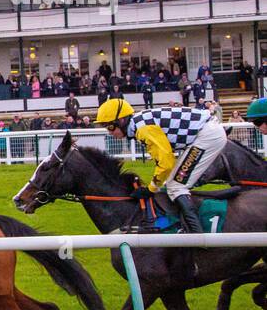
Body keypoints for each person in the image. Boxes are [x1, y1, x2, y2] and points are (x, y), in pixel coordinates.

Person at [94, 98, 226, 234]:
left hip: (207, 135)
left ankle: (197, 234)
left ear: (121, 121)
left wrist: (151, 189)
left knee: (176, 186)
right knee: (173, 182)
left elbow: (166, 162)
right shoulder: (140, 123)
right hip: (206, 132)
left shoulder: (143, 129)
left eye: (110, 127)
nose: (110, 132)